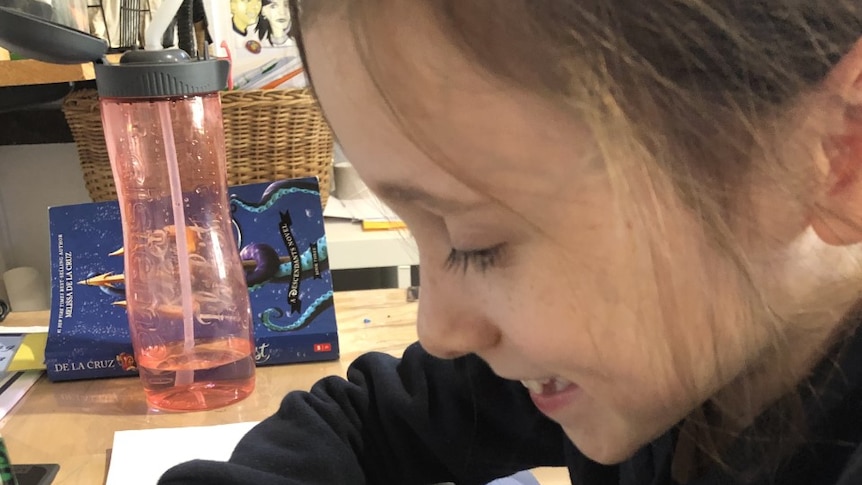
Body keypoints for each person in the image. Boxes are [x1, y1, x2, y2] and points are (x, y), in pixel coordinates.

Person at [160, 1, 862, 484]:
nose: (438, 330)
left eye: (475, 240)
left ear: (836, 151)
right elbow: (364, 416)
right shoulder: (645, 366)